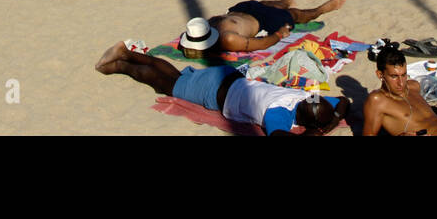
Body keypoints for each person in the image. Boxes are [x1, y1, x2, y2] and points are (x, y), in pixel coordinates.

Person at [95, 32, 349, 136]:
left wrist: (330, 118)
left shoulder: (301, 96)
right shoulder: (277, 114)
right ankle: (122, 62)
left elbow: (343, 103)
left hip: (229, 78)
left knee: (179, 76)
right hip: (215, 92)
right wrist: (319, 131)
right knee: (166, 85)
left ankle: (126, 55)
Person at [208, 0, 345, 53]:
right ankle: (321, 9)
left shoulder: (203, 29)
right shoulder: (229, 39)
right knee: (294, 14)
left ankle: (286, 1)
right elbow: (261, 44)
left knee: (263, 3)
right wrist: (279, 34)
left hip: (239, 11)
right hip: (263, 22)